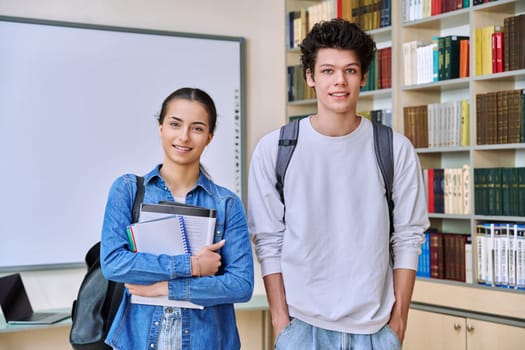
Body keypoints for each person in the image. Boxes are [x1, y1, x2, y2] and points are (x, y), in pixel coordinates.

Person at [248, 19, 429, 349]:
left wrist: (398, 322)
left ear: (362, 77)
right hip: (302, 327)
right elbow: (268, 240)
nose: (339, 82)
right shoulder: (275, 149)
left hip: (376, 330)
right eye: (328, 71)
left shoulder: (394, 148)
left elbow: (408, 236)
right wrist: (280, 320)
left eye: (350, 70)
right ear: (310, 77)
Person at [100, 87, 254, 350]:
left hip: (206, 342)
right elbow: (114, 264)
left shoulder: (226, 203)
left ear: (209, 137)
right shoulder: (127, 190)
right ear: (161, 128)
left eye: (197, 128)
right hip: (137, 340)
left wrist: (166, 289)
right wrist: (192, 266)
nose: (184, 136)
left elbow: (241, 285)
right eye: (175, 124)